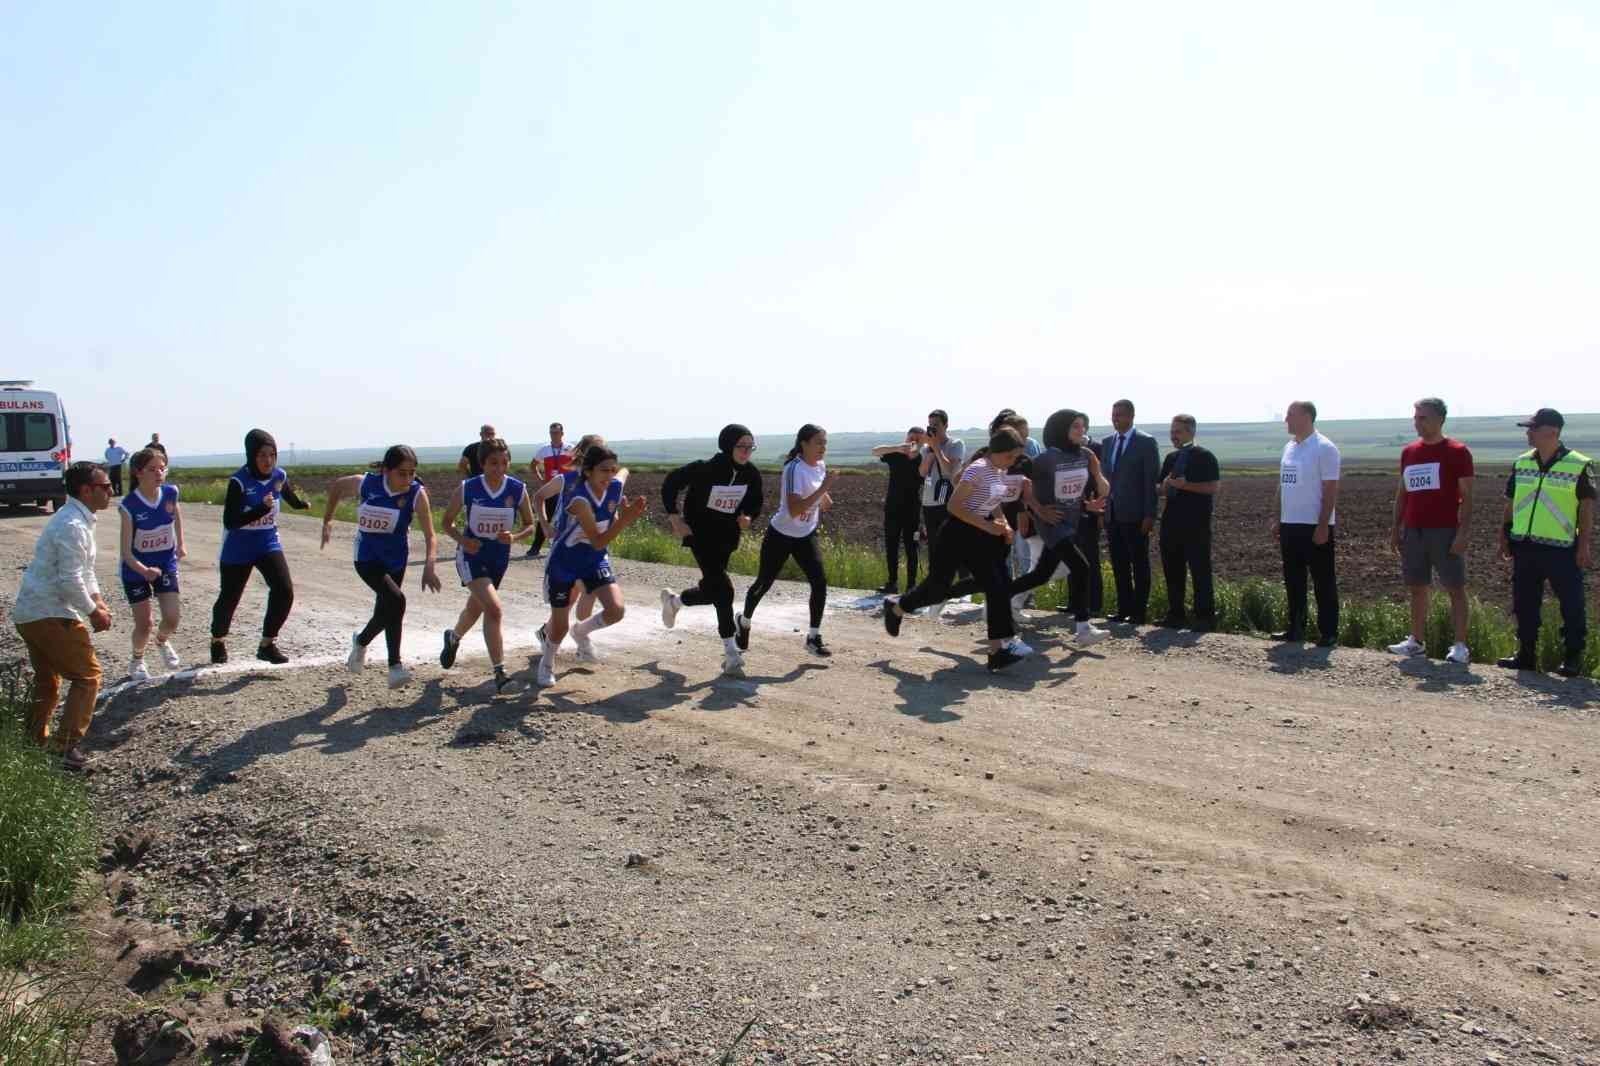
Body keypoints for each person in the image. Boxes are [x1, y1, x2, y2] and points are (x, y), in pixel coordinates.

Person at [883, 429, 1032, 673]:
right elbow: (954, 506)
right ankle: (896, 607)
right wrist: (987, 525)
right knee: (937, 587)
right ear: (1000, 452)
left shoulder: (998, 470)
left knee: (998, 584)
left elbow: (993, 503)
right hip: (956, 534)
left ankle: (999, 650)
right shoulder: (978, 469)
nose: (1014, 462)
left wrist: (1003, 525)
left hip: (979, 534)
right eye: (1012, 457)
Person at [13, 462, 114, 771]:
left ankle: (33, 745)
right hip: (49, 613)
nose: (111, 491)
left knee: (47, 683)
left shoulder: (76, 520)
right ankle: (64, 749)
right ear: (86, 490)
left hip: (32, 613)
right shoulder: (72, 525)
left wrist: (97, 600)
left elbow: (83, 572)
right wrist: (93, 612)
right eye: (105, 486)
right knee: (88, 676)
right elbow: (69, 580)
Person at [320, 445, 442, 689]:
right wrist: (328, 520)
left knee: (387, 609)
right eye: (401, 473)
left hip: (396, 559)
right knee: (396, 601)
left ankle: (362, 641)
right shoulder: (366, 484)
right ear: (386, 471)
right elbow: (336, 488)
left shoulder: (417, 494)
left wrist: (430, 565)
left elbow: (430, 535)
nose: (407, 479)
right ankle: (395, 666)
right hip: (366, 558)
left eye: (411, 473)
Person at [533, 447, 647, 686]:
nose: (609, 475)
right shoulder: (579, 500)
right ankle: (546, 664)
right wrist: (624, 520)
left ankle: (581, 631)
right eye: (603, 470)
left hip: (594, 560)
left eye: (611, 470)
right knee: (560, 624)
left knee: (616, 610)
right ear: (588, 472)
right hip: (565, 561)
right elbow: (597, 540)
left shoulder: (614, 485)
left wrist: (621, 472)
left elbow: (623, 473)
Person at [659, 424, 765, 677]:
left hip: (727, 537)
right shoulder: (704, 467)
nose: (746, 451)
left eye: (751, 447)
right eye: (741, 446)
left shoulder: (751, 474)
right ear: (728, 445)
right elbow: (670, 484)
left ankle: (675, 601)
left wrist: (748, 516)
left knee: (714, 588)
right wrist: (675, 519)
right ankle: (731, 654)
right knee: (724, 590)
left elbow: (755, 501)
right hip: (700, 534)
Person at [1496, 408, 1593, 677]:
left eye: (1533, 428)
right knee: (1524, 602)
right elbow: (1511, 502)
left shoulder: (1579, 464)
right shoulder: (1522, 462)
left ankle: (1572, 658)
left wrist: (1584, 544)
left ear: (1552, 432)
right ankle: (1525, 654)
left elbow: (1585, 508)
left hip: (1561, 548)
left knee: (1571, 605)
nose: (1528, 433)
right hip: (1525, 545)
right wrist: (1503, 534)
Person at [1004, 409, 1111, 646]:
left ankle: (1002, 597)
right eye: (1075, 426)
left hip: (1072, 522)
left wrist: (1095, 470)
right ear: (1061, 429)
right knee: (1081, 567)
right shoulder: (1046, 459)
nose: (1081, 431)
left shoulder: (1086, 455)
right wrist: (1038, 510)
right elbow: (1021, 485)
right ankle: (1083, 628)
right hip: (1051, 524)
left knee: (1041, 574)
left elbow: (1102, 490)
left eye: (1084, 426)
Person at [440, 437, 535, 693]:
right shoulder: (468, 488)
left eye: (504, 462)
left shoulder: (517, 488)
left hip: (498, 558)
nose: (500, 468)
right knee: (494, 609)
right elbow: (446, 523)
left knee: (476, 609)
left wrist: (514, 537)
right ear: (482, 464)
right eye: (494, 463)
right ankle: (500, 673)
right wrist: (464, 540)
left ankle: (453, 637)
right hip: (471, 556)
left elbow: (530, 524)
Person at [736, 424, 838, 659]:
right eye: (819, 442)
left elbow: (821, 499)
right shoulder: (793, 469)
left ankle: (813, 637)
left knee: (820, 582)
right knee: (764, 583)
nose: (823, 447)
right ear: (804, 444)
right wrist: (823, 488)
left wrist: (824, 496)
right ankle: (743, 621)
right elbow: (793, 510)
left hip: (806, 534)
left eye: (825, 443)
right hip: (781, 534)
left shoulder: (820, 466)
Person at [1386, 398, 1475, 665]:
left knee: (1455, 587)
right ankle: (1416, 642)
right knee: (1416, 586)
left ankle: (1460, 645)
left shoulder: (1458, 452)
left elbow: (1468, 496)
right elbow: (1402, 493)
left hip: (1445, 530)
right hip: (1414, 530)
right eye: (1415, 417)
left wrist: (1463, 533)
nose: (1417, 422)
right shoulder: (1409, 452)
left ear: (1439, 420)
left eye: (1422, 417)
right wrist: (1395, 528)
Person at [210, 429, 309, 665]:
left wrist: (300, 504)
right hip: (238, 546)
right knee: (230, 598)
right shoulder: (239, 481)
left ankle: (267, 644)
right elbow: (230, 521)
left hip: (267, 542)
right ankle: (217, 640)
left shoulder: (278, 475)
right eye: (262, 455)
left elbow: (286, 494)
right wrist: (260, 511)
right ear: (251, 456)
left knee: (284, 590)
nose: (268, 461)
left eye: (272, 455)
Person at [1273, 401, 1341, 646]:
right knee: (1293, 578)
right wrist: (1279, 518)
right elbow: (1283, 485)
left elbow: (1330, 489)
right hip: (1290, 523)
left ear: (1306, 417)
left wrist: (1323, 525)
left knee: (1323, 579)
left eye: (1290, 415)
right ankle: (1296, 628)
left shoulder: (1324, 448)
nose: (1286, 420)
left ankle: (1329, 632)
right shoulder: (1289, 447)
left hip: (1315, 525)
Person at [119, 448, 185, 682]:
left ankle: (162, 641)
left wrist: (180, 543)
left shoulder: (170, 493)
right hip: (135, 569)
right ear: (138, 473)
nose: (159, 473)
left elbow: (175, 512)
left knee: (172, 618)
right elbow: (126, 553)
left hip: (165, 563)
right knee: (144, 624)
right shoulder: (129, 505)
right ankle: (137, 658)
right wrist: (143, 570)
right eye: (152, 469)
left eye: (162, 468)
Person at [1157, 415, 1221, 630]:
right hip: (1171, 523)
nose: (1173, 436)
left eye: (1178, 432)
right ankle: (1176, 614)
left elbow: (1212, 487)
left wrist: (1185, 485)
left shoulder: (1205, 457)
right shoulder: (1171, 458)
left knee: (1200, 570)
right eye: (1172, 431)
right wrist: (1165, 486)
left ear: (1191, 432)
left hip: (1197, 525)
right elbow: (1159, 489)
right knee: (1172, 570)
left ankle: (1205, 617)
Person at [1101, 400, 1161, 625]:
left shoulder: (1145, 442)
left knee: (1139, 563)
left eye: (1120, 415)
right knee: (1119, 563)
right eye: (1113, 415)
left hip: (1136, 514)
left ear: (1131, 416)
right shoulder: (1108, 442)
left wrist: (1149, 514)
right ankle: (1123, 608)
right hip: (1113, 513)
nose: (1116, 419)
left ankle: (1139, 611)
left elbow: (1150, 481)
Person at [870, 427, 926, 594]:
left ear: (923, 442)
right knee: (891, 545)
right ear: (906, 438)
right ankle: (892, 583)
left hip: (912, 510)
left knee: (911, 548)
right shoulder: (895, 455)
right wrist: (897, 447)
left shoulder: (923, 459)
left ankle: (911, 586)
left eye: (917, 439)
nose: (913, 441)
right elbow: (875, 451)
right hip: (893, 508)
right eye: (911, 437)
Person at [525, 422, 576, 559]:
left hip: (566, 489)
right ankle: (535, 547)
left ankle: (564, 546)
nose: (554, 435)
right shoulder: (544, 450)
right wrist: (541, 480)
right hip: (550, 489)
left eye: (556, 432)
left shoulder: (570, 448)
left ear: (562, 433)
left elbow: (579, 465)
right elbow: (533, 465)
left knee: (567, 517)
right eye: (551, 433)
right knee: (545, 516)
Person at [919, 409, 966, 553]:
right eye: (930, 425)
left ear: (946, 425)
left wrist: (937, 448)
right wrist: (930, 451)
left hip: (949, 502)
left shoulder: (956, 444)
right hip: (929, 503)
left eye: (936, 425)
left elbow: (949, 471)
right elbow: (922, 472)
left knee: (954, 546)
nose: (932, 428)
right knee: (934, 547)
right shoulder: (927, 449)